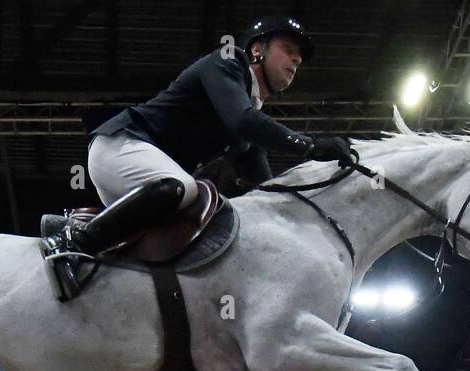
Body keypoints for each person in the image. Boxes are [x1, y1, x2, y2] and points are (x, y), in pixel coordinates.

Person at [51, 16, 354, 268]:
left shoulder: (250, 117)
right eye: (288, 50)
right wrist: (310, 146)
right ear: (257, 49)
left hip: (144, 180)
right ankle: (75, 241)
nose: (296, 60)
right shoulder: (228, 60)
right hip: (120, 146)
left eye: (298, 59)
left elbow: (265, 189)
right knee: (185, 188)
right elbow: (242, 120)